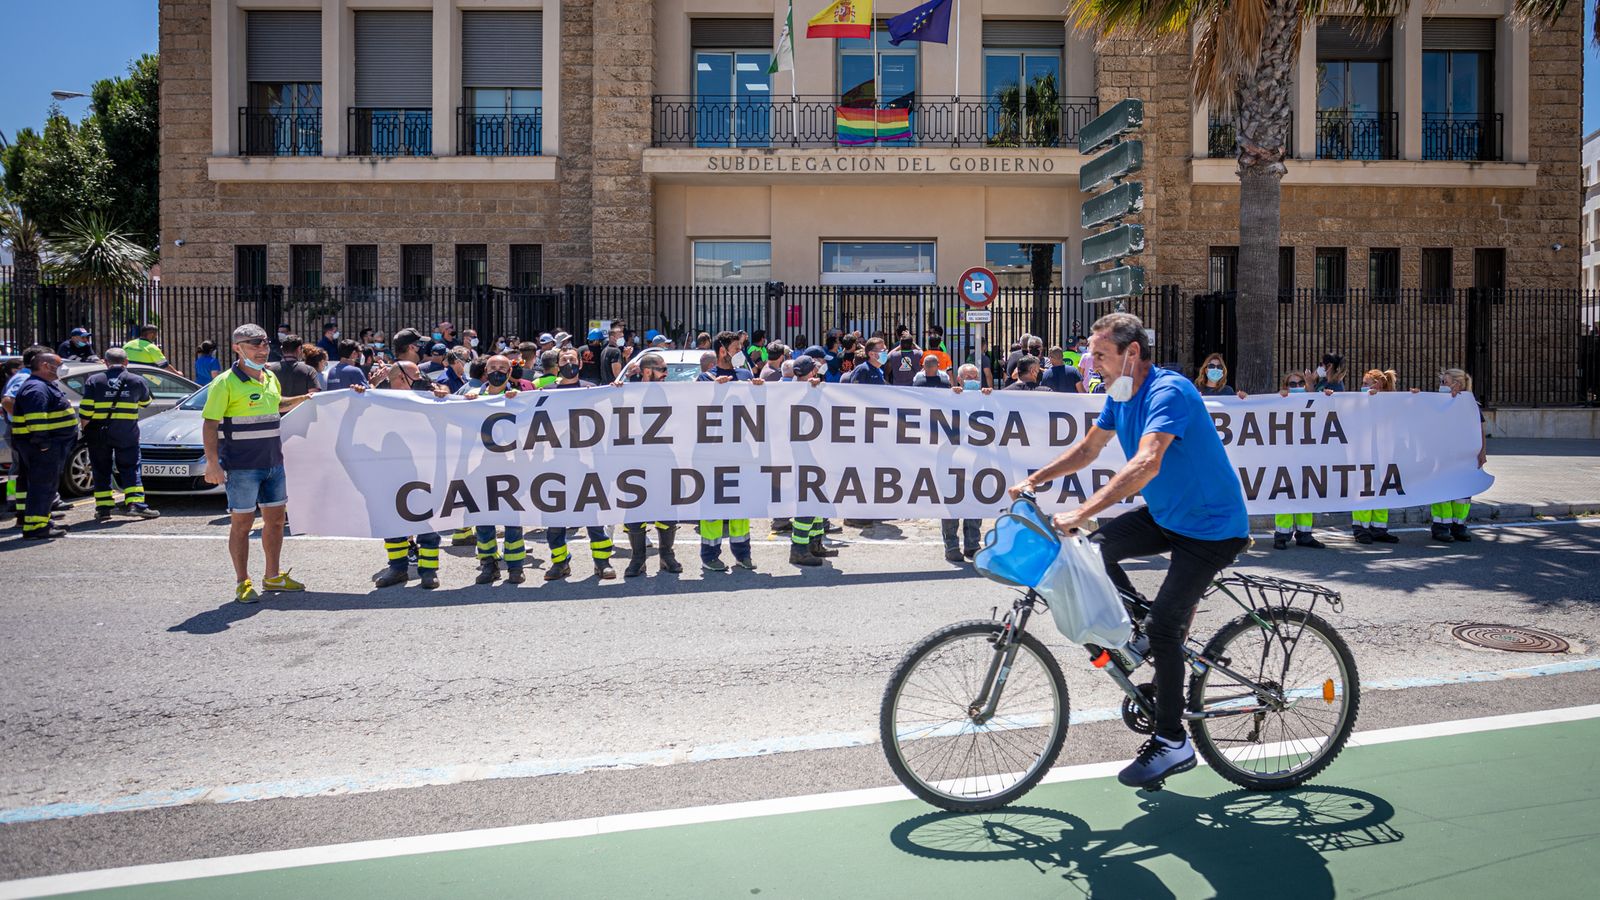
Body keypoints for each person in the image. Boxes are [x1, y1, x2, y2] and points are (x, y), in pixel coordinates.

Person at [1009, 311, 1250, 790]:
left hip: (1211, 529)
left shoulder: (1170, 391)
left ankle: (1172, 741)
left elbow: (1146, 463)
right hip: (1168, 517)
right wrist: (1034, 480)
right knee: (1094, 551)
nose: (1091, 364)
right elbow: (1087, 450)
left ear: (1132, 352)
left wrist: (1083, 509)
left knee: (1165, 628)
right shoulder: (1119, 395)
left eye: (1099, 355)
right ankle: (1143, 633)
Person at [202, 325, 312, 602]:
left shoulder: (269, 377)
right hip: (242, 466)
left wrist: (305, 399)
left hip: (274, 463)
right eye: (254, 346)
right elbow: (210, 424)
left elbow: (277, 405)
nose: (262, 351)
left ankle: (272, 576)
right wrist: (212, 463)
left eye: (264, 346)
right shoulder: (224, 382)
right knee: (242, 524)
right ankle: (243, 581)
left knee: (274, 522)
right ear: (237, 348)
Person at [368, 360, 453, 588]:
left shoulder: (426, 396)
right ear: (400, 378)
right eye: (416, 374)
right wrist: (365, 390)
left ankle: (428, 570)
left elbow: (448, 395)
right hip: (391, 469)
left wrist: (442, 392)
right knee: (392, 520)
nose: (421, 378)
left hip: (424, 469)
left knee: (427, 520)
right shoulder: (380, 399)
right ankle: (397, 568)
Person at [544, 347, 616, 579]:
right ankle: (559, 563)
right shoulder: (546, 391)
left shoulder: (590, 390)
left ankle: (602, 562)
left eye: (572, 359)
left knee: (592, 516)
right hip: (555, 465)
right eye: (564, 360)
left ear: (580, 364)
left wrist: (616, 392)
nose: (569, 363)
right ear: (557, 365)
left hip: (587, 464)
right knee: (556, 519)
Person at [463, 355, 535, 584]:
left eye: (503, 368)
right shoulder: (471, 396)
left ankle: (515, 566)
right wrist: (466, 401)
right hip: (479, 468)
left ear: (509, 371)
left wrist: (519, 402)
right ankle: (488, 565)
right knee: (483, 519)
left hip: (511, 467)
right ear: (485, 370)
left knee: (512, 519)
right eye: (493, 367)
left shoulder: (520, 397)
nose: (498, 371)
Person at [621, 353, 685, 577]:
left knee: (667, 508)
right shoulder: (628, 392)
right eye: (663, 369)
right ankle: (638, 558)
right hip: (634, 461)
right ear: (647, 371)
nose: (667, 374)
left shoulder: (673, 392)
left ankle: (667, 555)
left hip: (665, 459)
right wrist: (616, 390)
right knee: (635, 511)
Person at [78, 347, 159, 521]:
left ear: (105, 362)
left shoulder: (94, 380)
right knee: (130, 467)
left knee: (101, 469)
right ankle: (135, 505)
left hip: (100, 433)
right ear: (126, 362)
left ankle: (104, 508)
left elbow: (85, 411)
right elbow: (146, 402)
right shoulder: (137, 380)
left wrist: (86, 431)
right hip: (126, 432)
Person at [10, 351, 79, 540]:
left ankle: (42, 521)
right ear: (46, 366)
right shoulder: (36, 388)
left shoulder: (43, 386)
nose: (62, 368)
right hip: (43, 448)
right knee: (42, 486)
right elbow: (36, 420)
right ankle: (36, 527)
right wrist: (43, 444)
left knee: (47, 487)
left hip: (49, 447)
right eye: (58, 364)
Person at [783, 356, 837, 567]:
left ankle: (815, 543)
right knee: (808, 501)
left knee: (819, 500)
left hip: (816, 455)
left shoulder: (796, 389)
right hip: (804, 457)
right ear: (811, 372)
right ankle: (798, 549)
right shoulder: (797, 392)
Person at [1268, 372, 1331, 550]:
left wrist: (1328, 396)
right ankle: (1282, 535)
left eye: (1300, 383)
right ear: (1285, 386)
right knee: (1284, 492)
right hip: (1285, 454)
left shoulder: (1314, 399)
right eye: (1292, 384)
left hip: (1307, 454)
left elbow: (1326, 409)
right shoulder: (1279, 400)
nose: (1296, 386)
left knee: (1305, 492)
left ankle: (1305, 534)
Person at [1350, 369, 1409, 544]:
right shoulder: (1359, 401)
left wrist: (1416, 396)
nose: (1362, 387)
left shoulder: (1392, 402)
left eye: (1366, 384)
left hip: (1385, 451)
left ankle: (1379, 528)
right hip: (1364, 452)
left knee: (1383, 488)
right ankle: (1361, 529)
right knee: (1364, 488)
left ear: (1379, 384)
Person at [1430, 367, 1486, 543]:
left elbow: (1480, 430)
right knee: (1442, 490)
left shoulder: (1471, 405)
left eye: (1444, 382)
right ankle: (1440, 527)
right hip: (1442, 456)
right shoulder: (1437, 403)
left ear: (1458, 384)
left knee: (1462, 493)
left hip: (1465, 456)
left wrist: (1482, 452)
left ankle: (1458, 526)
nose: (1441, 386)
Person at [267, 335, 321, 399]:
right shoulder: (309, 370)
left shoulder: (270, 370)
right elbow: (314, 396)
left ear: (282, 349)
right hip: (302, 408)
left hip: (278, 408)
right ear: (299, 348)